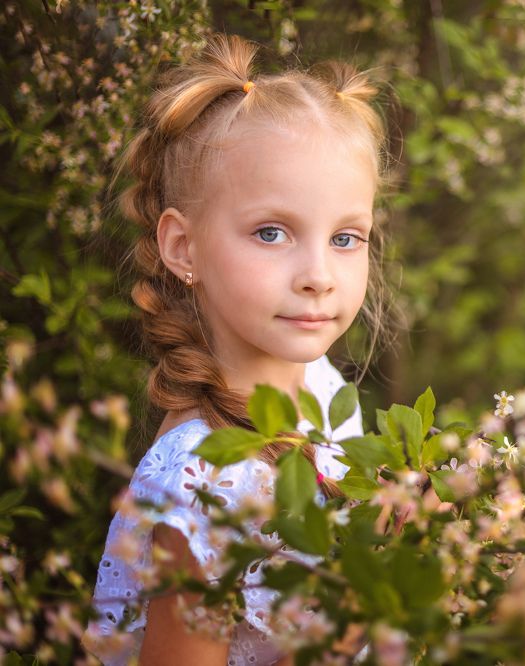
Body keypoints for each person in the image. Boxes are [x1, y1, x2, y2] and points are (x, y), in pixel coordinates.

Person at [82, 33, 389, 665]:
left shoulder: (324, 390)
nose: (319, 275)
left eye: (345, 237)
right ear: (183, 247)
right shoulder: (205, 486)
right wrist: (368, 599)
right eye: (271, 232)